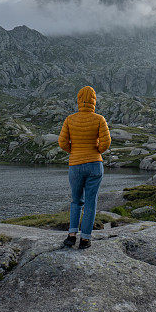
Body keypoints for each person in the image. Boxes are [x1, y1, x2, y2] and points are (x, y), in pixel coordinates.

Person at [58, 85, 111, 249]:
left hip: (75, 164)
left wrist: (74, 151)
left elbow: (62, 143)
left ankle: (71, 235)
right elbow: (106, 143)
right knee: (90, 202)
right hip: (95, 164)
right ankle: (85, 239)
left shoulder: (70, 119)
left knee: (76, 201)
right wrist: (96, 151)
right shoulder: (99, 119)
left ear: (79, 100)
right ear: (94, 101)